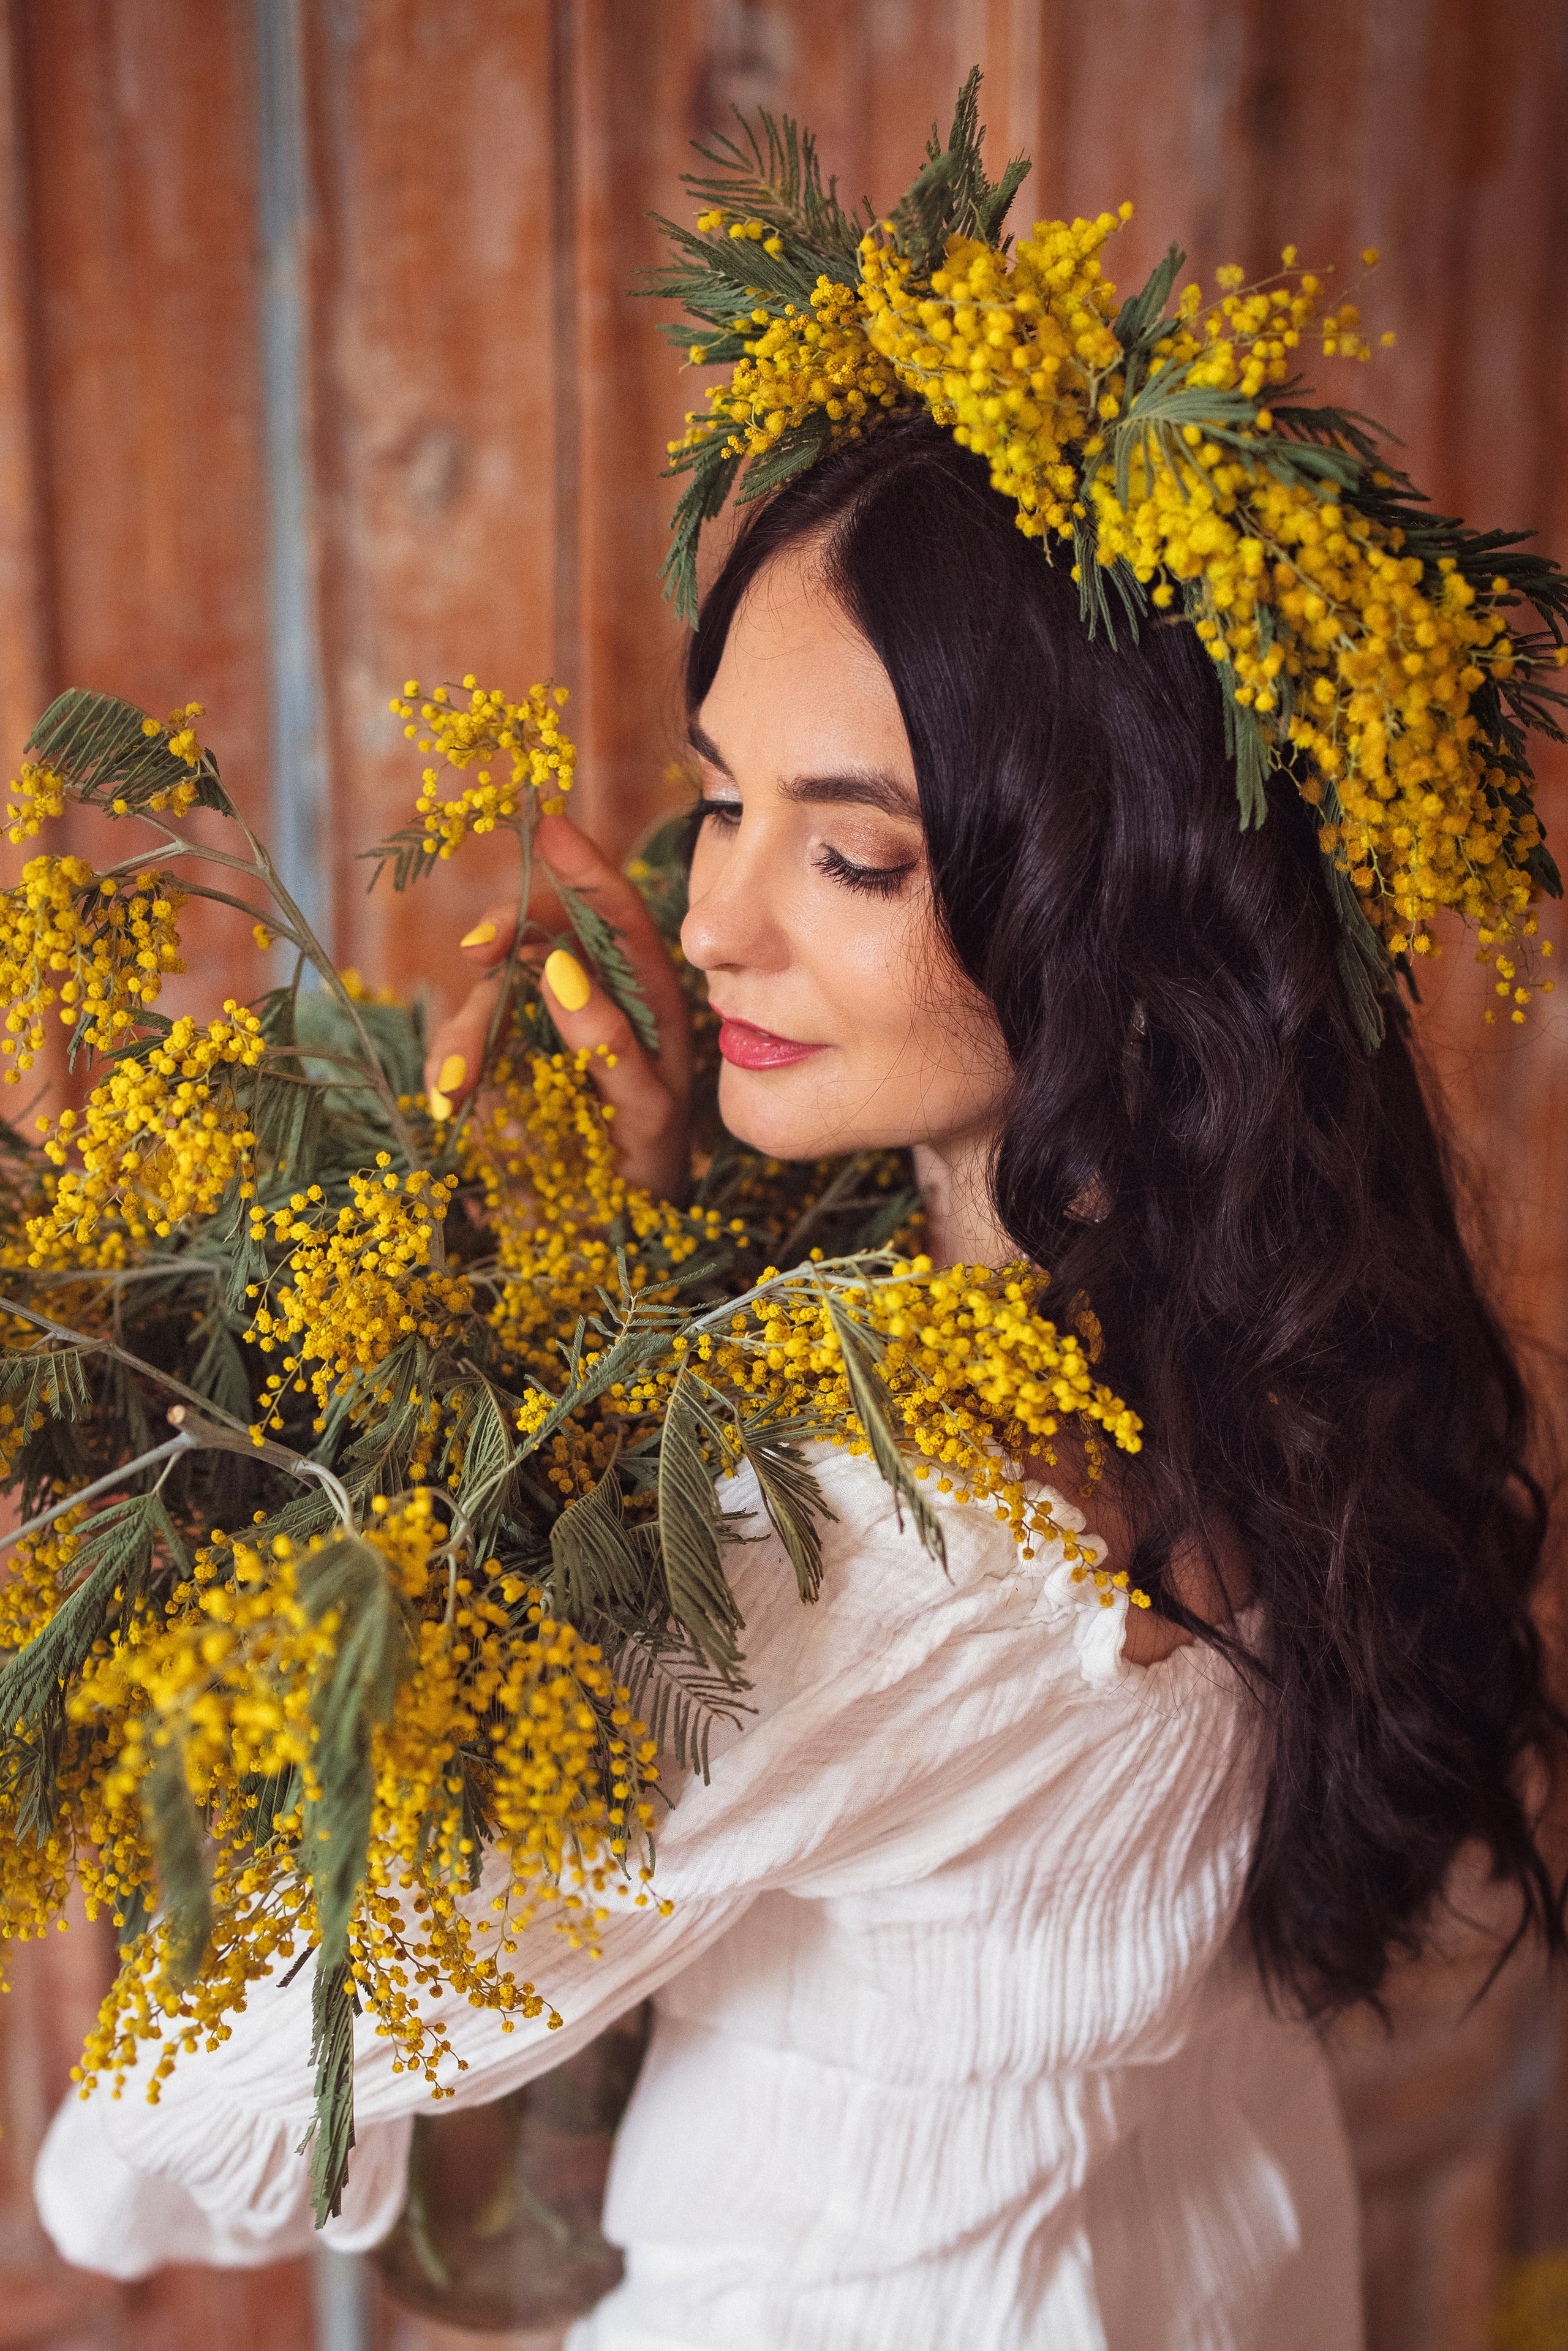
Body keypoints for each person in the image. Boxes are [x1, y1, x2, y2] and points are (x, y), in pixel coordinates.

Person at [34, 92, 1567, 2350]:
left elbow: (191, 2122)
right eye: (728, 798)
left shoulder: (841, 1533)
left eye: (853, 856)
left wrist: (301, 1392)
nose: (719, 919)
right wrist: (634, 1249)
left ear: (1109, 908)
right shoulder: (1279, 1341)